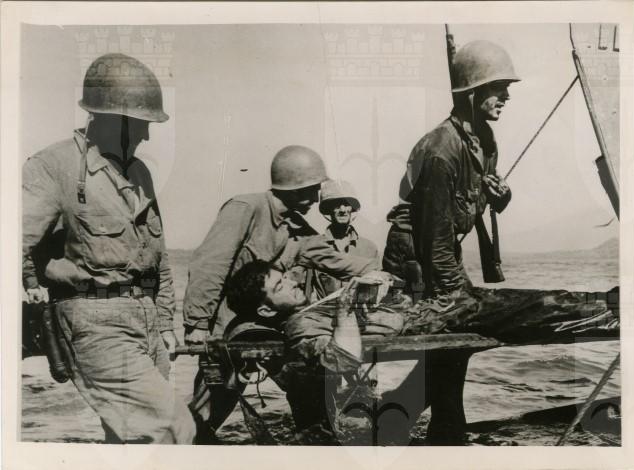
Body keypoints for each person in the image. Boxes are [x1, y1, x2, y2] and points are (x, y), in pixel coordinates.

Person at [22, 53, 195, 443]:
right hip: (93, 322)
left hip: (145, 323)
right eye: (140, 125)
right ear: (109, 119)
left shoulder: (140, 173)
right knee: (173, 427)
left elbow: (159, 259)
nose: (146, 136)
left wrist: (164, 324)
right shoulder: (54, 166)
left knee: (128, 439)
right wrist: (31, 283)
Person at [182, 148, 380, 442]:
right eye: (312, 190)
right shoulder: (246, 208)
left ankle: (314, 445)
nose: (315, 199)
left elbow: (333, 260)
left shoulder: (299, 228)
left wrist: (375, 271)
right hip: (232, 328)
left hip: (274, 328)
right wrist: (197, 324)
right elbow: (210, 265)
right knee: (212, 405)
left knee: (309, 390)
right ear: (293, 186)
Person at [379, 40, 519, 445]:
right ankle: (440, 432)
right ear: (472, 93)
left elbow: (479, 201)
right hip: (414, 255)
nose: (506, 96)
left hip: (440, 250)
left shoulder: (484, 140)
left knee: (451, 350)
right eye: (498, 88)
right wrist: (455, 296)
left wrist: (500, 195)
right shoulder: (440, 149)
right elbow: (433, 235)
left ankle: (408, 423)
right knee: (451, 341)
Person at [224, 260, 407, 443]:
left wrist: (379, 278)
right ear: (266, 311)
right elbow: (344, 360)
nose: (293, 282)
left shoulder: (308, 312)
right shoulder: (299, 325)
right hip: (325, 404)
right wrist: (345, 310)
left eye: (285, 277)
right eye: (280, 286)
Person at [312, 179, 379, 298]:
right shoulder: (315, 248)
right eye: (337, 204)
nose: (342, 210)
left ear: (352, 208)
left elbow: (378, 291)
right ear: (328, 208)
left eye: (346, 204)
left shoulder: (369, 249)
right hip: (324, 309)